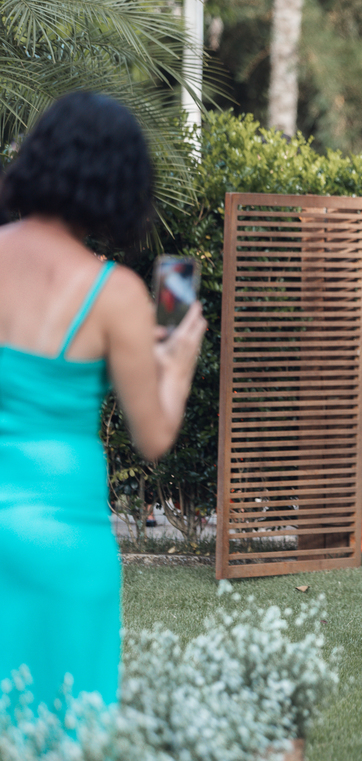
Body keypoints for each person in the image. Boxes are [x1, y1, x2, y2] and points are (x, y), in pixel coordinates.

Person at [0, 92, 207, 708]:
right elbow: (154, 436)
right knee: (66, 718)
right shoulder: (113, 293)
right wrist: (178, 363)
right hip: (65, 534)